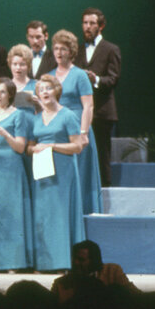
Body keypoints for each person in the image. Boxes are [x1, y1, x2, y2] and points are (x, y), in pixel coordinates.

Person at [27, 74, 86, 271]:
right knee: (43, 215)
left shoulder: (68, 115)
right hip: (42, 171)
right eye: (41, 89)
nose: (44, 92)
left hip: (63, 170)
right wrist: (34, 148)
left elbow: (77, 146)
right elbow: (31, 145)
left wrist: (52, 145)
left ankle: (62, 263)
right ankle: (44, 263)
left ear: (57, 91)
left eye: (48, 88)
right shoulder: (36, 118)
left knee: (59, 214)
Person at [48, 30, 103, 214]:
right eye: (56, 48)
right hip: (57, 130)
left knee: (81, 173)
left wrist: (83, 133)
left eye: (63, 49)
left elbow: (88, 106)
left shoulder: (80, 75)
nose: (59, 52)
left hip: (78, 129)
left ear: (71, 52)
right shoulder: (49, 76)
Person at [0, 78, 33, 271]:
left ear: (10, 95)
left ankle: (13, 262)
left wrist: (5, 134)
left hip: (11, 167)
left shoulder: (18, 115)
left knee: (11, 214)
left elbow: (20, 147)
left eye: (2, 92)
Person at [74, 8, 121, 187]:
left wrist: (96, 79)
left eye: (92, 23)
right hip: (79, 112)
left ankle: (104, 195)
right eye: (85, 23)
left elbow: (114, 78)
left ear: (101, 26)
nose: (87, 27)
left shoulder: (111, 49)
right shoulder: (77, 50)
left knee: (102, 156)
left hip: (102, 112)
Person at [51, 240, 139, 302]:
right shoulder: (60, 284)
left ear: (94, 261)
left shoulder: (113, 272)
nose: (76, 263)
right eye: (74, 259)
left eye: (81, 260)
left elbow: (135, 296)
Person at [7, 44, 38, 116]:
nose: (18, 68)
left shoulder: (36, 85)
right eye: (15, 64)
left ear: (29, 66)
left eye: (22, 64)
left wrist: (38, 103)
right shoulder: (5, 86)